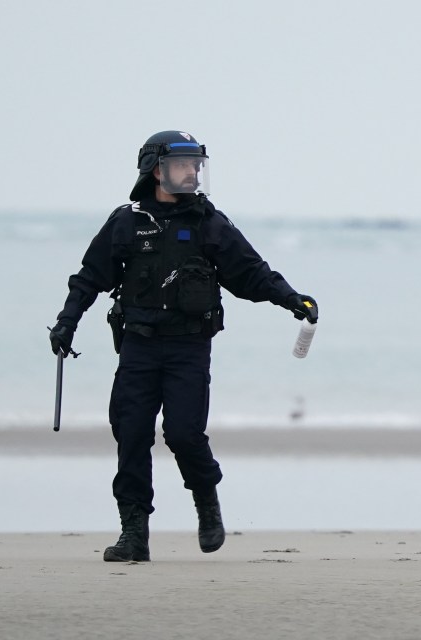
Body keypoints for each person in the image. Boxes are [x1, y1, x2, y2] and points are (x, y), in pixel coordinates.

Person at [48, 130, 318, 562]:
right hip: (137, 348)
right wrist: (66, 323)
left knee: (184, 434)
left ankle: (207, 506)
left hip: (189, 349)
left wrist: (291, 298)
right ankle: (134, 535)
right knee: (131, 433)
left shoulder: (209, 223)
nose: (193, 172)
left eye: (197, 165)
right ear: (156, 169)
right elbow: (89, 279)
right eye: (183, 165)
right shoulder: (126, 222)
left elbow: (252, 273)